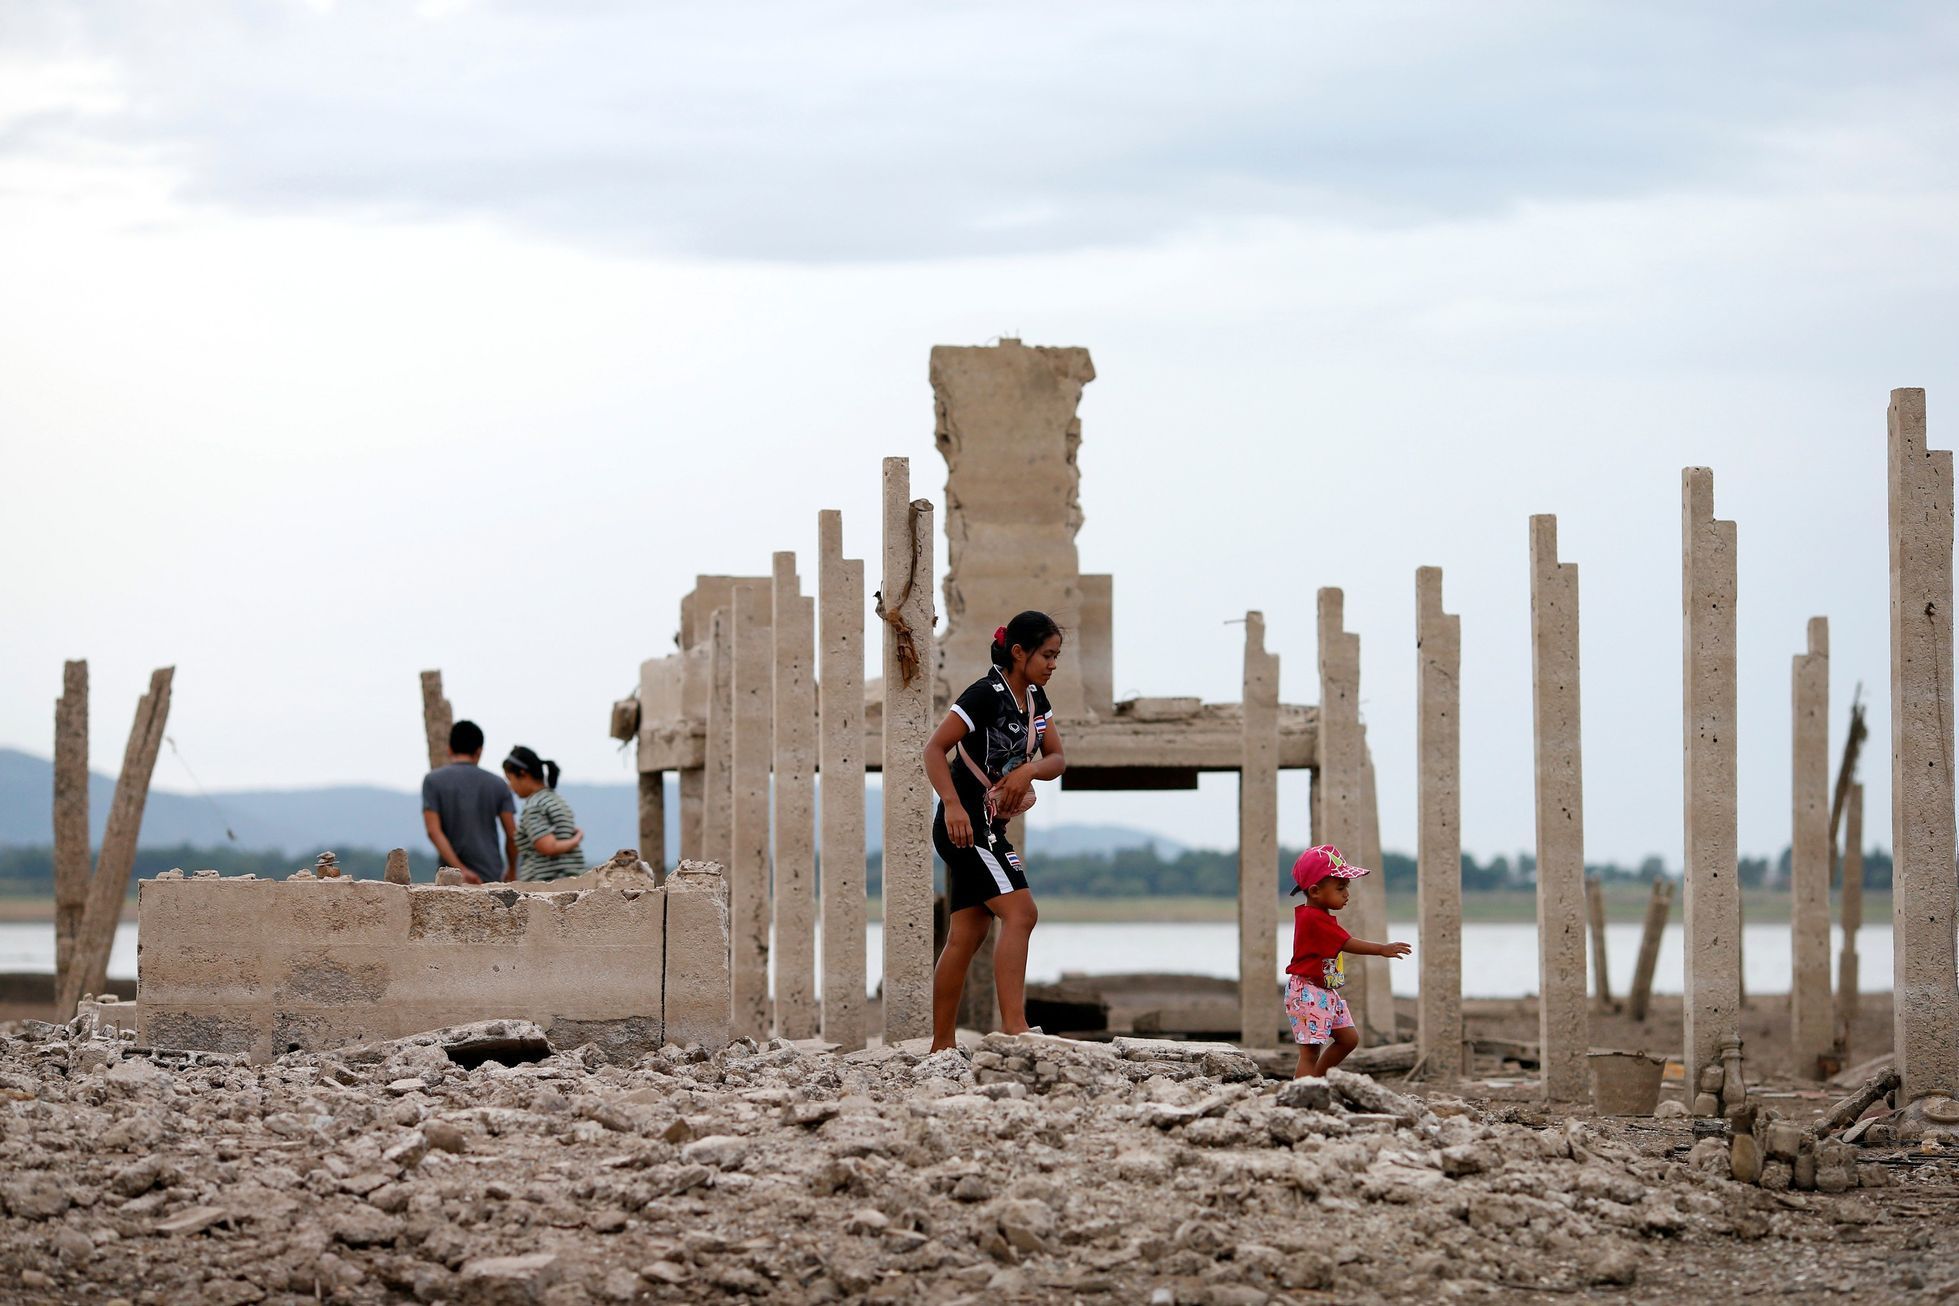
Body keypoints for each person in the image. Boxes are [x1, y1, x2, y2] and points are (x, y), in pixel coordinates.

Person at [923, 610, 1067, 1052]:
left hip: (990, 827)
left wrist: (1028, 771)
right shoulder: (985, 694)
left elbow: (1057, 759)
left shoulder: (1036, 702)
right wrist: (951, 805)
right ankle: (1014, 1025)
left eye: (1057, 656)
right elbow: (934, 749)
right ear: (1018, 652)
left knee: (968, 934)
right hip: (965, 824)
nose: (1052, 664)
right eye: (1046, 655)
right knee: (1022, 913)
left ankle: (941, 1046)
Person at [1285, 845, 1411, 1077]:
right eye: (1340, 887)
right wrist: (1382, 949)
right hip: (1307, 992)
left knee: (1348, 1038)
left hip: (1323, 991)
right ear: (1314, 891)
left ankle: (1317, 1080)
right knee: (1309, 1052)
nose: (1347, 894)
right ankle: (1303, 1093)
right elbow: (1347, 943)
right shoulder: (1314, 919)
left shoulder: (1319, 916)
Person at [422, 720, 517, 884]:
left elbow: (433, 831)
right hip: (490, 875)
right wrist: (512, 869)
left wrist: (461, 870)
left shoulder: (433, 781)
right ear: (479, 751)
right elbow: (512, 834)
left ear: (449, 748)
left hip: (450, 879)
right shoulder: (498, 784)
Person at [502, 745, 586, 882]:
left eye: (510, 779)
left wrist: (576, 840)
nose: (510, 787)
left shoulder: (534, 806)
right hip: (571, 880)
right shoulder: (557, 800)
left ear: (522, 773)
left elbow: (548, 847)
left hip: (545, 886)